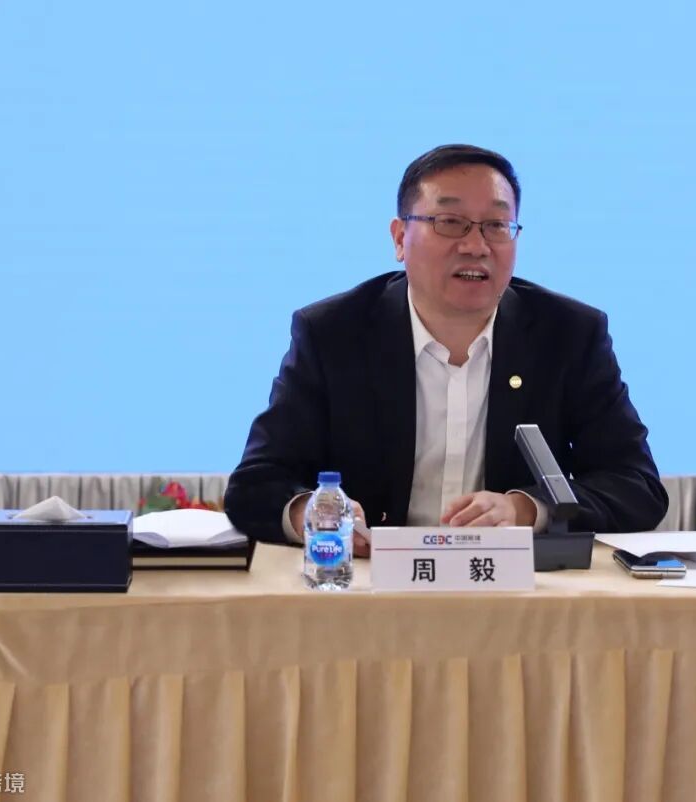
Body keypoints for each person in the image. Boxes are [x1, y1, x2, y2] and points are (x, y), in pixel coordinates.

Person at [225, 144, 667, 553]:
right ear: (400, 238)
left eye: (496, 225)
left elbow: (636, 485)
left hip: (513, 589)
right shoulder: (334, 334)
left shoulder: (567, 335)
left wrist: (526, 510)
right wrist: (316, 514)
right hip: (371, 584)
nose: (476, 246)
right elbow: (257, 485)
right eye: (450, 222)